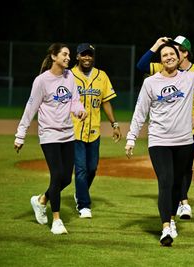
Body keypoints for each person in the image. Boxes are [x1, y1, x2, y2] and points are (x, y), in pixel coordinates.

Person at [125, 24, 194, 246]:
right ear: (160, 60)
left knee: (177, 183)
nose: (169, 57)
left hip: (184, 141)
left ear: (180, 57)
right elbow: (140, 111)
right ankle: (166, 228)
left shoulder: (189, 78)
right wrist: (131, 137)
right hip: (159, 140)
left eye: (172, 54)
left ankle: (170, 217)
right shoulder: (150, 82)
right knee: (165, 183)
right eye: (164, 55)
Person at [136, 35, 194, 220]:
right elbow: (141, 66)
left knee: (185, 167)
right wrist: (157, 44)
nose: (172, 52)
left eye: (177, 49)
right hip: (166, 130)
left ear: (185, 53)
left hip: (191, 128)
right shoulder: (163, 67)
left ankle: (183, 202)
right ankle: (178, 204)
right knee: (168, 174)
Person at [14, 43, 87, 234]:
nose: (68, 57)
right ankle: (56, 220)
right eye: (64, 54)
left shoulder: (69, 76)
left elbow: (74, 100)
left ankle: (41, 201)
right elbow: (30, 109)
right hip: (49, 134)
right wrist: (20, 135)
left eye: (69, 55)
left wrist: (80, 110)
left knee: (66, 179)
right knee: (56, 176)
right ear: (54, 56)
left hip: (67, 134)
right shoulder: (41, 81)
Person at [71, 43, 122, 219]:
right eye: (83, 55)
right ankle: (84, 205)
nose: (87, 58)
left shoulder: (102, 76)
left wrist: (114, 124)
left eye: (90, 55)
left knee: (92, 168)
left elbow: (105, 102)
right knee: (81, 169)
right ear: (77, 56)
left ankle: (80, 191)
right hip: (74, 131)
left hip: (94, 131)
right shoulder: (69, 76)